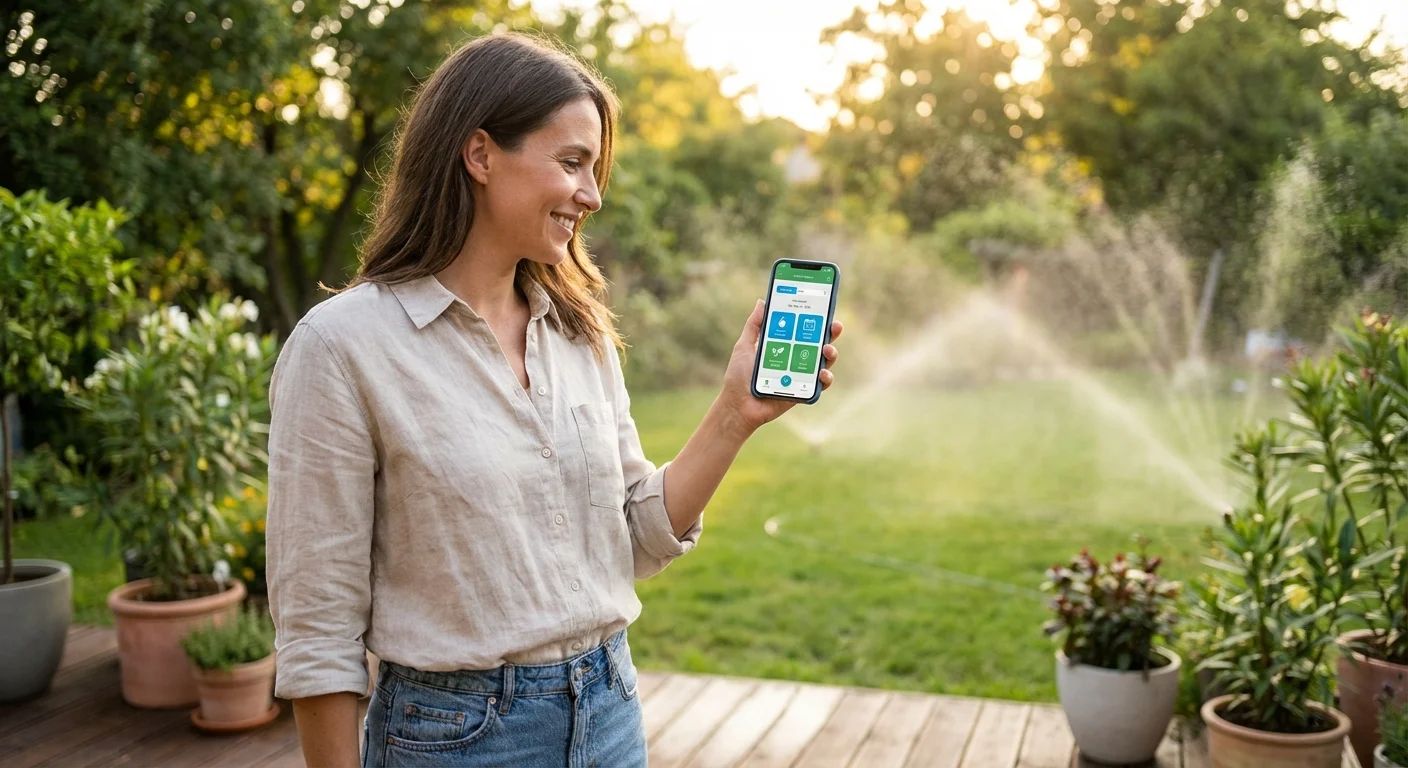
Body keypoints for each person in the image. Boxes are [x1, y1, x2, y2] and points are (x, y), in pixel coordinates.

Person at [265, 32, 842, 768]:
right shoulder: (343, 347)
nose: (592, 194)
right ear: (479, 155)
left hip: (608, 711)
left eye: (594, 170)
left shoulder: (578, 331)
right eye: (571, 163)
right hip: (453, 740)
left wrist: (736, 413)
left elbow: (631, 538)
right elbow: (318, 630)